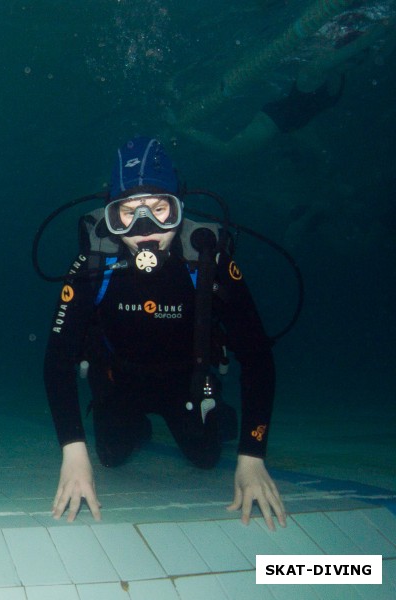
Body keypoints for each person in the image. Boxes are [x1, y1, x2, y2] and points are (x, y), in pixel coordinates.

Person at [43, 136, 287, 530]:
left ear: (180, 209)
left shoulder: (209, 259)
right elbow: (57, 358)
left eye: (160, 210)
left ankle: (212, 413)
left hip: (186, 384)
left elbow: (257, 355)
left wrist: (253, 455)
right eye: (127, 214)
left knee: (206, 457)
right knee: (109, 454)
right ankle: (135, 425)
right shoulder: (94, 261)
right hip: (119, 380)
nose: (145, 229)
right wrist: (73, 452)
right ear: (109, 216)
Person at [179, 4, 393, 155]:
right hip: (273, 121)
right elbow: (359, 47)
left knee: (322, 160)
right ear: (342, 52)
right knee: (228, 151)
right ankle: (184, 129)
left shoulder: (342, 73)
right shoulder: (316, 70)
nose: (355, 62)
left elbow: (373, 52)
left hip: (299, 126)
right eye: (352, 58)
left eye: (358, 61)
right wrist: (384, 26)